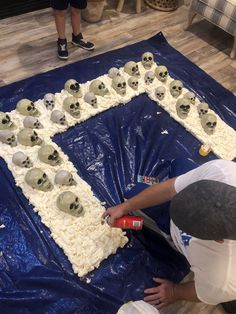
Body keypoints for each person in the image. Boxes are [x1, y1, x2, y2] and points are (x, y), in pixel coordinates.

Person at [102, 159, 236, 313]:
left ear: (218, 239)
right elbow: (170, 189)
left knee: (133, 192)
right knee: (178, 164)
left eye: (185, 225)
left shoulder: (225, 278)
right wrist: (125, 207)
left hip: (177, 233)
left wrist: (174, 291)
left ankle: (169, 227)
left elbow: (201, 293)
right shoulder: (223, 172)